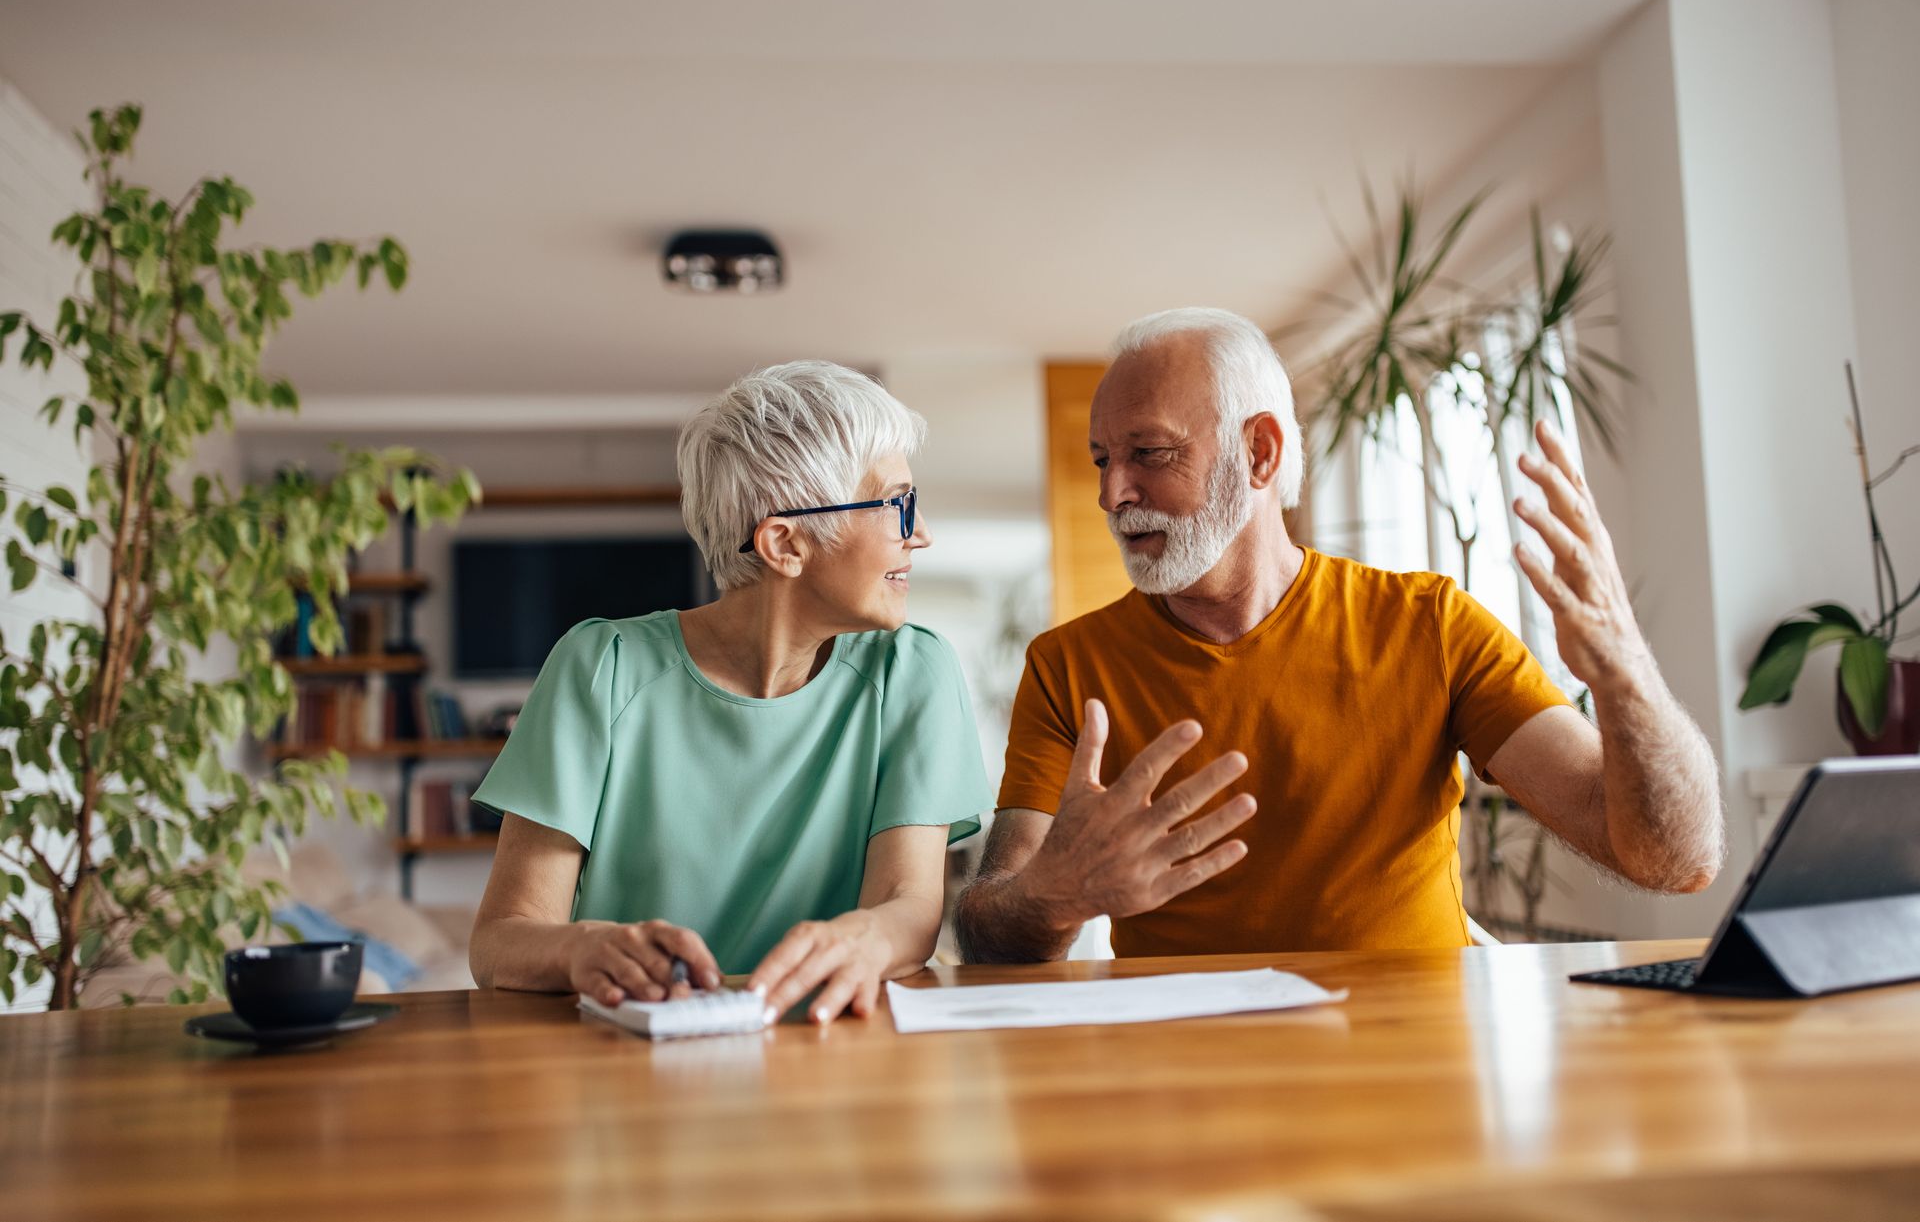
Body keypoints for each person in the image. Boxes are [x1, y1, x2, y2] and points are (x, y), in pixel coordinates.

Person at [955, 307, 1723, 962]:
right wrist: (1057, 894)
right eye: (1102, 459)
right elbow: (987, 930)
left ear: (1259, 452)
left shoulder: (1432, 625)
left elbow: (1675, 859)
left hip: (1413, 1076)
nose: (1111, 492)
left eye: (1148, 454)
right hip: (1186, 1091)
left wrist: (1625, 672)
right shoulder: (1067, 665)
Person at [469, 361, 990, 1023]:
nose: (920, 534)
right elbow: (498, 941)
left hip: (836, 1048)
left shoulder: (913, 671)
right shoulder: (601, 666)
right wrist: (581, 948)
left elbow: (909, 905)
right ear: (785, 542)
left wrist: (865, 937)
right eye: (897, 504)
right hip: (629, 1064)